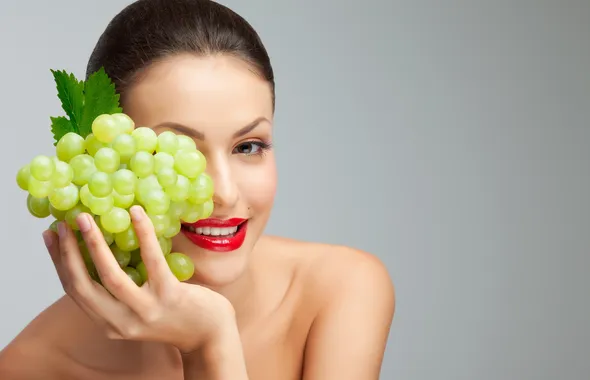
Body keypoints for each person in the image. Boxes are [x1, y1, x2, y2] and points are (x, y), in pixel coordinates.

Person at [0, 0, 395, 379]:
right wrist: (208, 344)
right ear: (111, 162)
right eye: (180, 151)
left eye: (248, 147)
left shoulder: (340, 289)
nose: (223, 192)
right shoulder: (30, 368)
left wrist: (210, 343)